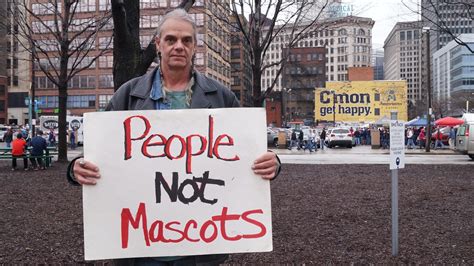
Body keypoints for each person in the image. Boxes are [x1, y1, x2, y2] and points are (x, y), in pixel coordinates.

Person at [66, 9, 281, 265]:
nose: (178, 46)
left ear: (195, 47)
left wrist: (273, 163)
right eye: (171, 39)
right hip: (139, 249)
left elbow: (249, 154)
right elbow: (97, 153)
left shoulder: (222, 98)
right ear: (158, 44)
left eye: (186, 40)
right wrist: (76, 168)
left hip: (201, 249)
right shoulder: (128, 95)